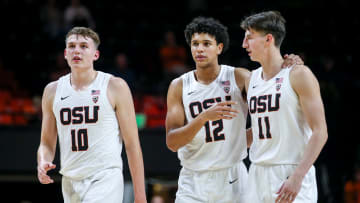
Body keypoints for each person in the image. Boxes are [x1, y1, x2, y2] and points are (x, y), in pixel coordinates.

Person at [165, 16, 301, 203]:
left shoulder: (238, 77)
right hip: (192, 179)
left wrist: (288, 65)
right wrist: (203, 118)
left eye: (206, 43)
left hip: (232, 177)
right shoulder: (179, 86)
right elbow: (172, 142)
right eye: (195, 44)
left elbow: (272, 97)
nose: (200, 49)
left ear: (219, 48)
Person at [37, 27, 147, 203]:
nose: (77, 50)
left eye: (83, 46)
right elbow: (47, 142)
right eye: (72, 46)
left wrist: (140, 195)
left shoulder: (114, 86)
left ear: (95, 55)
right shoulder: (52, 91)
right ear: (65, 54)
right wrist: (42, 161)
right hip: (70, 180)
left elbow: (132, 144)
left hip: (105, 178)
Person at [241, 11, 328, 203]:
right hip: (256, 173)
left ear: (268, 39)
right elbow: (258, 129)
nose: (244, 44)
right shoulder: (251, 79)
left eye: (249, 38)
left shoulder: (299, 75)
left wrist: (297, 177)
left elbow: (320, 131)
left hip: (290, 171)